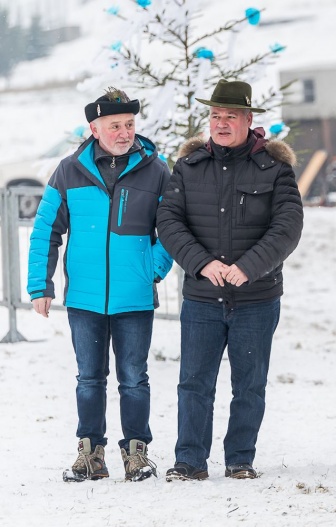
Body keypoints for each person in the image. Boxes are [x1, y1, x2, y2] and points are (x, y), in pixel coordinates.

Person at [156, 79, 303, 481]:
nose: (221, 123)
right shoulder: (189, 166)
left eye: (231, 116)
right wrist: (202, 263)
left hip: (256, 298)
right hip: (202, 298)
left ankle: (240, 458)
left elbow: (288, 226)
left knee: (249, 385)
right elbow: (169, 221)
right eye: (215, 115)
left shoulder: (275, 168)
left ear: (248, 120)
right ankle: (189, 460)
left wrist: (249, 267)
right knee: (193, 383)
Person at [27, 87, 173, 482]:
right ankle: (90, 453)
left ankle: (136, 453)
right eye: (114, 126)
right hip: (84, 299)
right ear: (94, 129)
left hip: (135, 297)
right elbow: (46, 229)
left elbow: (173, 229)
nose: (124, 133)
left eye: (129, 124)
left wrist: (152, 269)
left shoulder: (156, 170)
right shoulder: (69, 171)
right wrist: (40, 286)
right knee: (89, 379)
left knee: (134, 378)